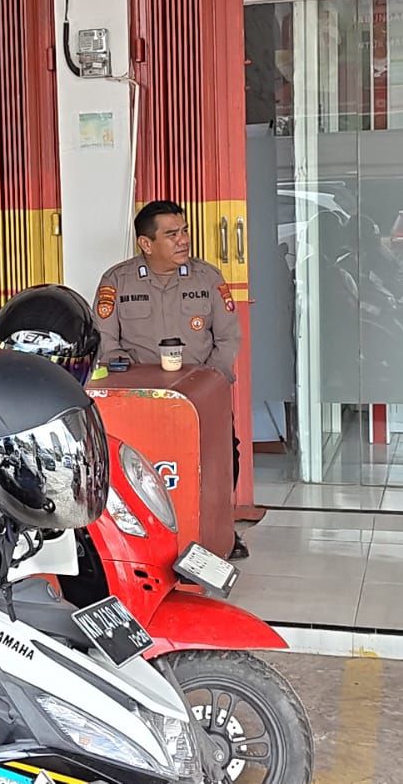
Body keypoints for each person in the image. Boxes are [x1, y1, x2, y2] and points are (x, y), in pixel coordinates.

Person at [93, 200, 248, 559]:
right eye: (172, 234)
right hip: (142, 400)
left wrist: (210, 384)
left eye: (185, 231)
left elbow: (228, 338)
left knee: (224, 455)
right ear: (146, 244)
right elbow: (107, 343)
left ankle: (222, 528)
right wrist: (131, 381)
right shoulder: (117, 281)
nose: (184, 240)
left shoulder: (207, 278)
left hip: (201, 396)